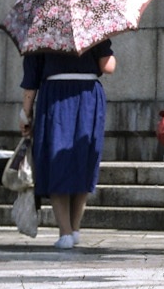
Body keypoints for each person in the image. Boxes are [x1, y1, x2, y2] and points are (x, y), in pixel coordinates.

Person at [20, 40, 116, 249]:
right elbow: (108, 67)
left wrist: (26, 112)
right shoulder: (92, 26)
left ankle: (64, 232)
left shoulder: (41, 31)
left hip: (55, 95)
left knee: (56, 159)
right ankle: (74, 228)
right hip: (87, 95)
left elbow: (31, 78)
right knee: (84, 160)